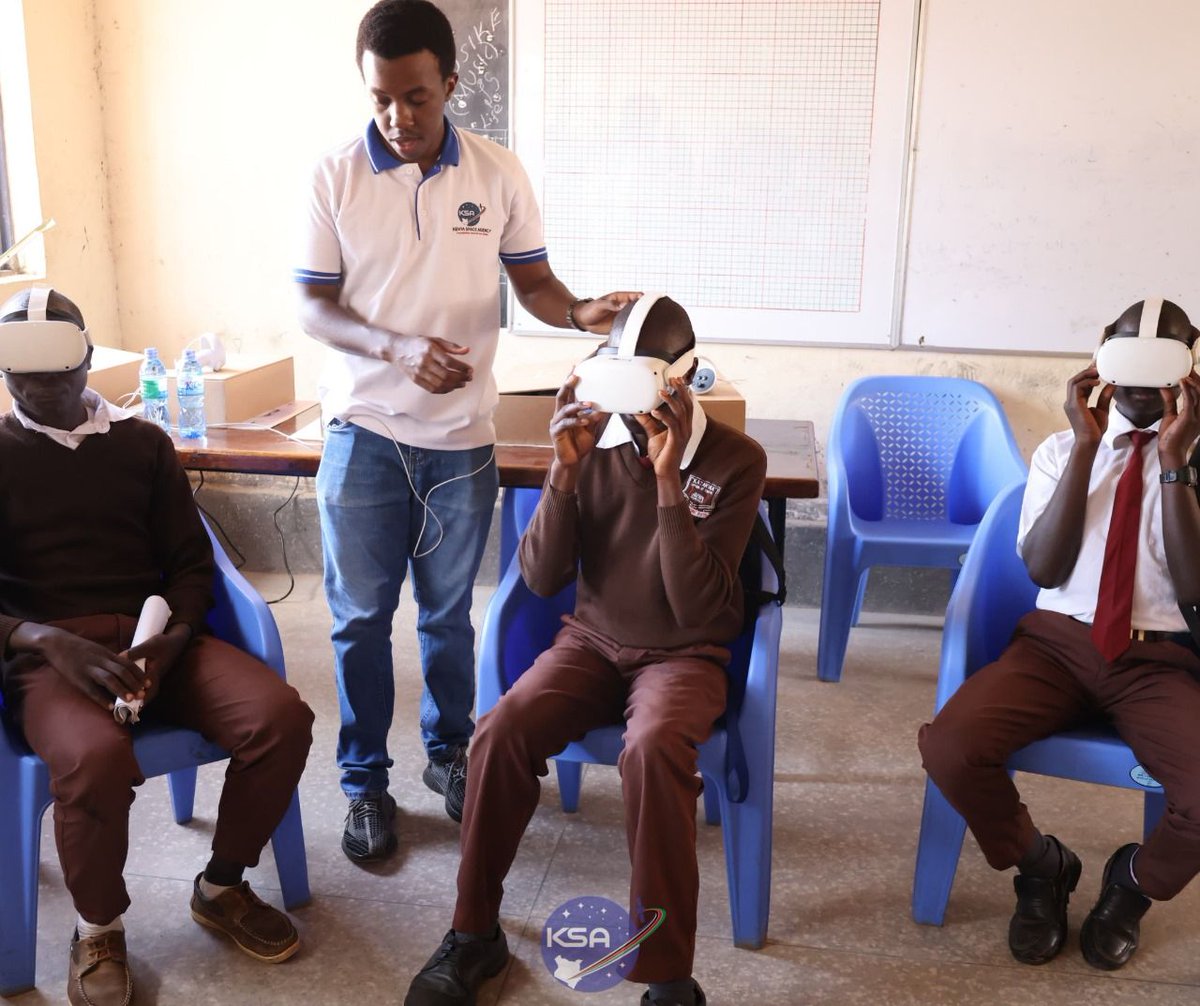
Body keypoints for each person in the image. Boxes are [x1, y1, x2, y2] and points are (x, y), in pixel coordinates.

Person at [294, 0, 636, 862]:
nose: (398, 118)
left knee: (449, 619)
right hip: (364, 431)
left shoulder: (497, 173)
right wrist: (396, 347)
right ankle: (364, 784)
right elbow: (313, 305)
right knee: (359, 622)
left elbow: (538, 287)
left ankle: (449, 757)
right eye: (382, 98)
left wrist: (580, 311)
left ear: (451, 82)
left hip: (460, 442)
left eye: (416, 96)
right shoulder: (333, 175)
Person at [403, 296, 768, 1006]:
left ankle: (666, 976)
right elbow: (540, 579)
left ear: (681, 379)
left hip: (686, 655)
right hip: (593, 641)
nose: (625, 398)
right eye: (614, 371)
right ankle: (474, 932)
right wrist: (563, 471)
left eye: (641, 377)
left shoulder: (733, 459)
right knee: (500, 730)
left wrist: (667, 483)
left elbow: (701, 608)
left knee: (654, 748)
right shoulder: (592, 443)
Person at [0, 288, 314, 1006]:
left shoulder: (142, 446)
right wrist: (44, 639)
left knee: (280, 719)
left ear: (86, 361)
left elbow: (192, 564)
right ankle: (99, 929)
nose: (42, 386)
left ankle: (222, 884)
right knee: (93, 758)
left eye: (57, 368)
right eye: (23, 372)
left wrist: (172, 641)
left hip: (156, 642)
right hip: (50, 657)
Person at [918, 298, 1200, 971]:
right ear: (1102, 353)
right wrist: (1083, 444)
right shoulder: (1056, 451)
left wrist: (1174, 461)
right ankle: (1043, 866)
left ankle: (1131, 887)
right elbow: (1044, 566)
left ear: (1190, 368)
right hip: (1057, 645)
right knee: (951, 747)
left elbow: (1194, 589)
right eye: (1127, 353)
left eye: (1164, 359)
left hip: (1158, 660)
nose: (1141, 377)